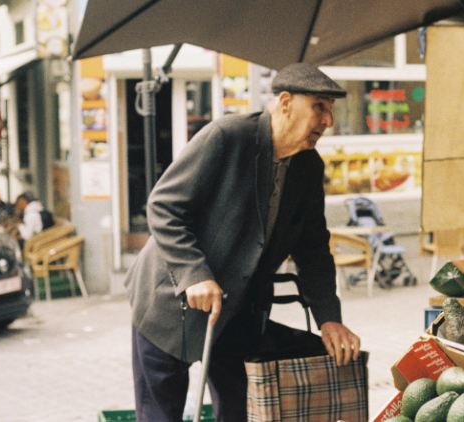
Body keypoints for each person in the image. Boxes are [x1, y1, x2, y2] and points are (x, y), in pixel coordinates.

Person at [124, 63, 361, 422]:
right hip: (168, 302)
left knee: (240, 412)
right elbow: (163, 207)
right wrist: (194, 274)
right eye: (320, 107)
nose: (328, 120)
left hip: (235, 312)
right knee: (160, 414)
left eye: (330, 109)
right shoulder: (227, 136)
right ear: (285, 103)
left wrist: (329, 318)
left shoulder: (309, 167)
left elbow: (313, 248)